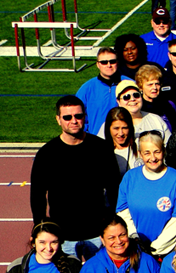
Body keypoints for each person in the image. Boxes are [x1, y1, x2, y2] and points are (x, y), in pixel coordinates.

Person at [31, 96, 120, 261]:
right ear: (58, 119)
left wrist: (111, 222)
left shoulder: (101, 148)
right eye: (67, 117)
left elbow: (114, 189)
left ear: (85, 116)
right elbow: (37, 196)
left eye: (78, 116)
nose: (74, 121)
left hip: (97, 233)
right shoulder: (46, 154)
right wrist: (40, 229)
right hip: (63, 236)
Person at [116, 131, 176, 258]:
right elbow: (123, 212)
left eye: (157, 151)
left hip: (167, 252)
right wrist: (135, 239)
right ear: (140, 154)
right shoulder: (130, 178)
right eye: (147, 153)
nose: (153, 158)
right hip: (135, 251)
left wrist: (155, 247)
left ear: (163, 151)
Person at [77, 47, 134, 135]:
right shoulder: (87, 88)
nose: (109, 65)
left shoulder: (129, 84)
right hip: (97, 141)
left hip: (124, 137)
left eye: (112, 61)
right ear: (97, 64)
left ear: (117, 63)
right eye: (104, 62)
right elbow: (77, 115)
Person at [136, 64, 176, 132]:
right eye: (150, 84)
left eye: (157, 84)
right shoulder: (138, 107)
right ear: (141, 86)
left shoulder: (168, 105)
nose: (154, 88)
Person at [103, 107, 141, 177]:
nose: (121, 133)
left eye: (125, 128)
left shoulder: (140, 145)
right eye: (116, 128)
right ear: (108, 128)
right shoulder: (103, 151)